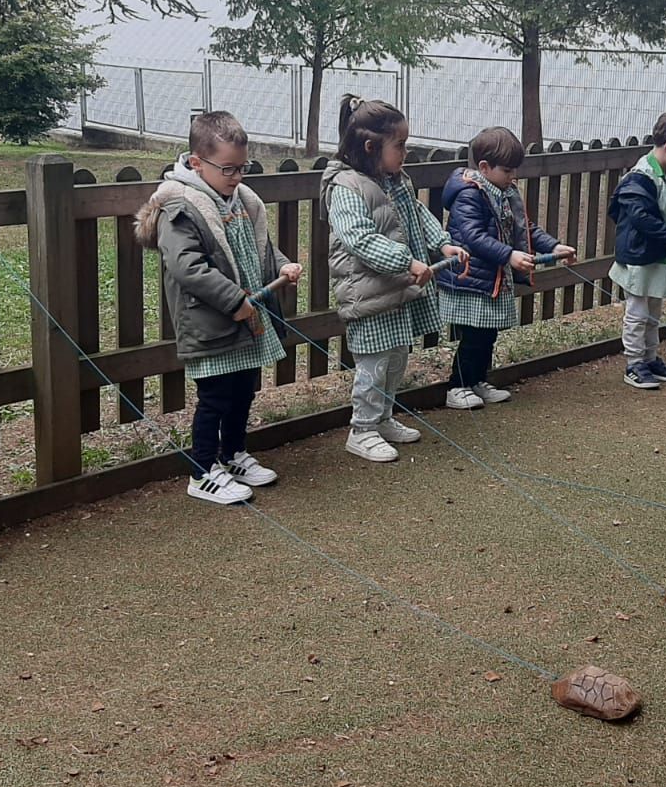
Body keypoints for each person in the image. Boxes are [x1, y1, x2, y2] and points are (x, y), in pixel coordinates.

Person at [135, 112, 301, 505]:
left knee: (244, 390)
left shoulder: (240, 200)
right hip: (211, 320)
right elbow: (186, 267)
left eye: (242, 167)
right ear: (196, 162)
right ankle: (203, 469)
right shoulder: (180, 206)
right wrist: (233, 301)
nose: (237, 176)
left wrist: (281, 265)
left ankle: (234, 454)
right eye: (228, 168)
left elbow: (260, 247)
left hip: (246, 317)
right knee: (215, 398)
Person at [319, 95, 467, 462]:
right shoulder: (345, 188)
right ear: (370, 147)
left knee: (397, 357)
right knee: (373, 363)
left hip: (398, 289)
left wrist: (441, 244)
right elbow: (361, 240)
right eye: (399, 145)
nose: (405, 152)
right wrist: (407, 262)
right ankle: (362, 429)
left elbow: (416, 213)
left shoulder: (395, 179)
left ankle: (383, 418)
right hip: (368, 294)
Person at [437, 126, 576, 409]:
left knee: (488, 333)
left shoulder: (502, 191)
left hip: (491, 278)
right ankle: (458, 385)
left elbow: (524, 228)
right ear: (485, 167)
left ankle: (477, 380)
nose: (514, 176)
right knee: (473, 336)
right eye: (508, 170)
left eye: (515, 170)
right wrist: (508, 255)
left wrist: (552, 246)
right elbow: (475, 238)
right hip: (471, 278)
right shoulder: (469, 194)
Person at [608, 111, 666, 389]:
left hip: (662, 254)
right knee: (637, 313)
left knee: (654, 311)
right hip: (640, 257)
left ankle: (650, 358)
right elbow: (640, 217)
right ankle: (634, 363)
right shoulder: (640, 178)